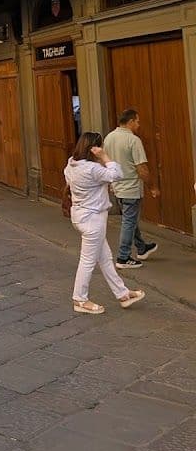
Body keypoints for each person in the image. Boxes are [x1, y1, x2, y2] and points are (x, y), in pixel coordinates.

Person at [64, 131, 145, 314]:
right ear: (94, 148)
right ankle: (80, 299)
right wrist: (105, 157)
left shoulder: (71, 164)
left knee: (105, 258)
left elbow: (70, 180)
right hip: (93, 219)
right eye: (100, 146)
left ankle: (122, 294)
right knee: (87, 261)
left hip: (80, 215)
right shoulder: (92, 169)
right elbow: (117, 174)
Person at [104, 108, 160, 270]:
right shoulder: (133, 141)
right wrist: (152, 187)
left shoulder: (109, 138)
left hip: (117, 187)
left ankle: (142, 248)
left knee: (130, 219)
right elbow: (141, 168)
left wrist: (109, 183)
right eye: (137, 121)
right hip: (131, 188)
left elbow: (105, 163)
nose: (139, 124)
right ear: (130, 122)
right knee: (129, 221)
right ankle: (123, 257)